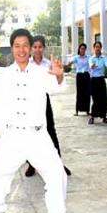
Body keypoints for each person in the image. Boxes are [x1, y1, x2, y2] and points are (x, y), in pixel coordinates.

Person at [0, 29, 70, 213]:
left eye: (25, 46)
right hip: (12, 135)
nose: (21, 50)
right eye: (17, 45)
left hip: (37, 135)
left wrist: (60, 76)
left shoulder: (41, 73)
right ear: (12, 48)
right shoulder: (4, 74)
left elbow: (57, 87)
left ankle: (57, 210)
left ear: (30, 48)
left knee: (57, 173)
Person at [25, 35, 71, 177]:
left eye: (40, 47)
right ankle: (32, 164)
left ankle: (58, 164)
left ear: (44, 48)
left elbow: (57, 82)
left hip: (44, 101)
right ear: (31, 48)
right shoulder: (26, 64)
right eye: (35, 47)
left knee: (50, 131)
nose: (37, 50)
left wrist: (59, 75)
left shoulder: (48, 64)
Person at [88, 41, 107, 125]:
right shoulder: (91, 58)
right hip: (93, 80)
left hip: (101, 80)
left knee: (104, 99)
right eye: (96, 47)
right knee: (95, 99)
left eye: (99, 47)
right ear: (94, 48)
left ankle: (104, 117)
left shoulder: (103, 58)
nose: (98, 48)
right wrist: (92, 66)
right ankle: (92, 116)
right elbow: (90, 65)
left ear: (101, 48)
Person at [67, 43, 91, 116]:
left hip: (86, 75)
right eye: (81, 48)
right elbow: (69, 63)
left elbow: (92, 63)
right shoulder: (76, 57)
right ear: (79, 49)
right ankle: (77, 111)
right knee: (79, 93)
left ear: (85, 50)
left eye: (84, 49)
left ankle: (87, 110)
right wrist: (68, 63)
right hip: (79, 76)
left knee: (87, 93)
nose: (82, 50)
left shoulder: (88, 57)